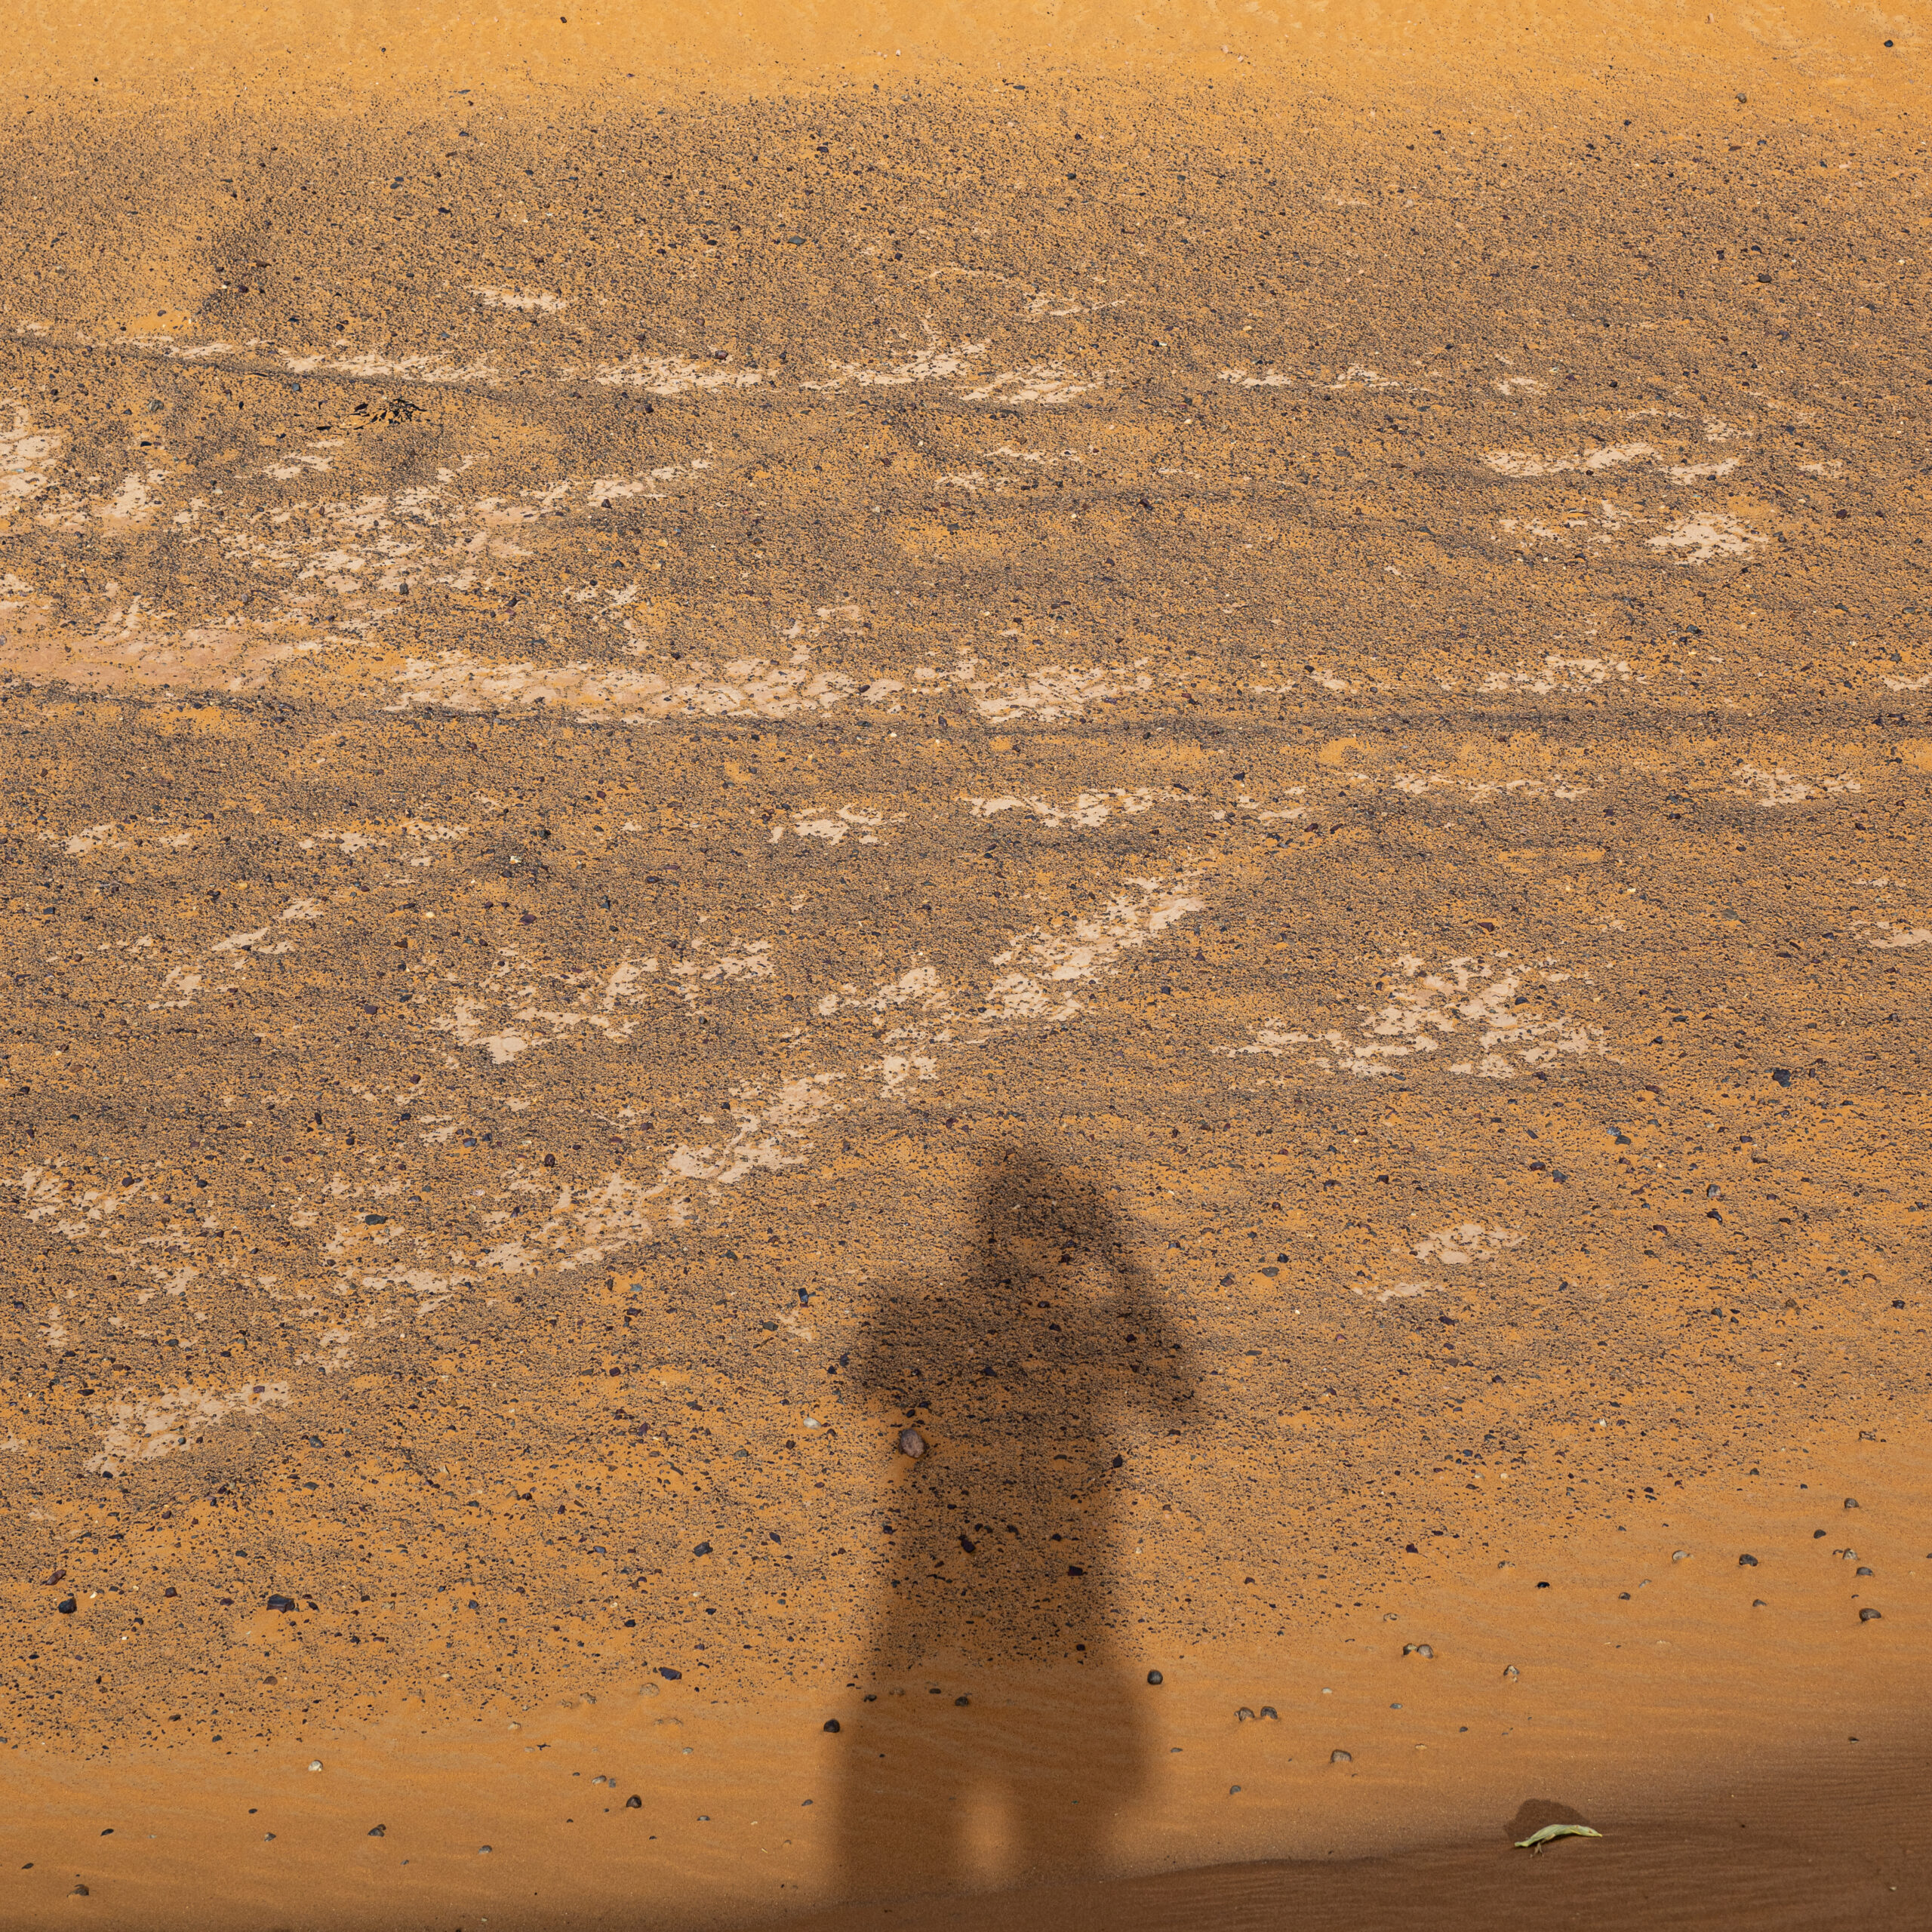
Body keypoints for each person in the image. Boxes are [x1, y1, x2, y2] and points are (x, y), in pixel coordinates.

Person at [831, 1142, 1193, 1899]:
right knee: (1057, 1872)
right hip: (1050, 1628)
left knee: (934, 1880)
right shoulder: (1074, 1332)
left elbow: (866, 1380)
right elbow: (1175, 1395)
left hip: (945, 1629)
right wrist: (1119, 1256)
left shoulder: (919, 1315)